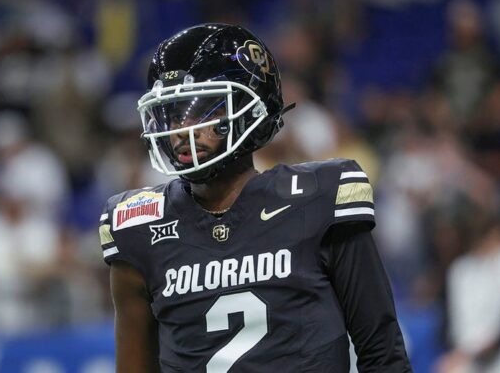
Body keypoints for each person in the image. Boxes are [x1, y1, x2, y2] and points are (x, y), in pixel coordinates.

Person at [98, 23, 411, 372]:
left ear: (253, 108)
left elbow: (383, 356)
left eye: (205, 109)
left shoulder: (318, 199)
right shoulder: (138, 226)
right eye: (174, 112)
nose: (183, 130)